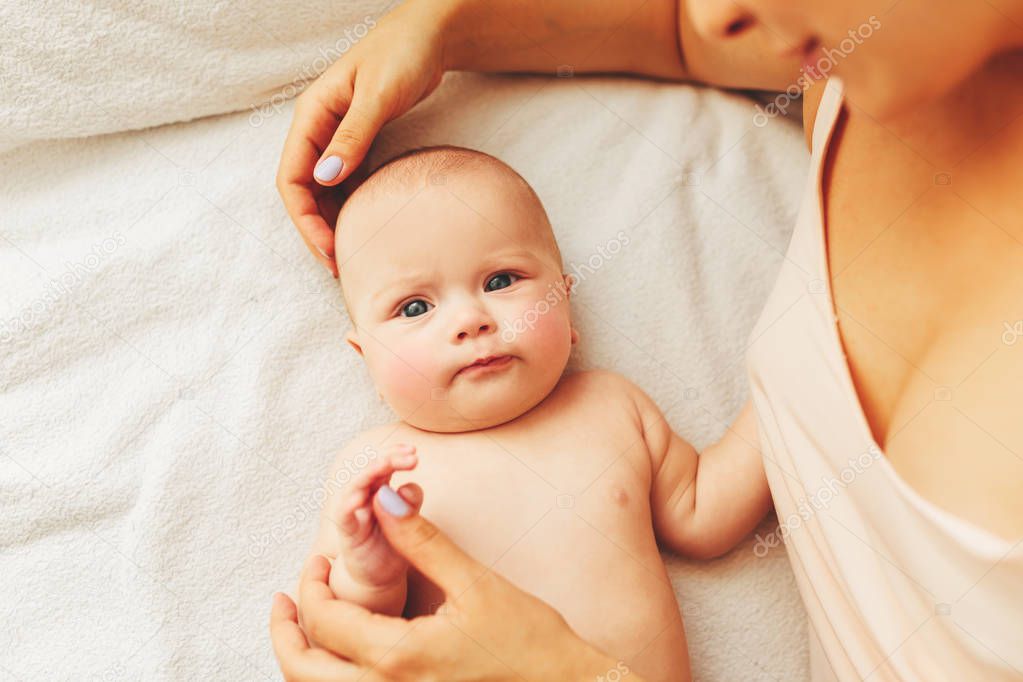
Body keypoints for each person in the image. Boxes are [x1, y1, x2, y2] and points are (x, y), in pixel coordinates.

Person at [272, 0, 1023, 680]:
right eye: (412, 309)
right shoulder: (378, 474)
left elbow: (701, 515)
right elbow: (361, 622)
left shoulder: (609, 410)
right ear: (361, 357)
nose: (469, 321)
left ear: (567, 306)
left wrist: (821, 377)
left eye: (502, 281)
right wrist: (438, 25)